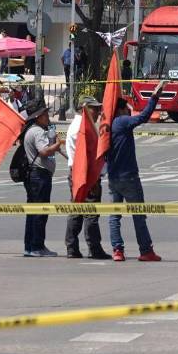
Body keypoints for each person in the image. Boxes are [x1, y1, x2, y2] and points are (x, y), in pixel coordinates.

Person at [107, 80, 168, 262]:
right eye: (127, 108)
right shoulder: (122, 121)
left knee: (114, 216)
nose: (129, 110)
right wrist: (154, 97)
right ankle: (146, 250)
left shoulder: (107, 124)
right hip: (129, 177)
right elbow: (143, 117)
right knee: (138, 215)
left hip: (113, 177)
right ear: (121, 109)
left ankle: (117, 250)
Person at [65, 96, 112, 259]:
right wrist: (93, 179)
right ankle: (94, 248)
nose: (98, 112)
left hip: (80, 173)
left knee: (77, 211)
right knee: (90, 212)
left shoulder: (80, 125)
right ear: (84, 108)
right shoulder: (81, 128)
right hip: (86, 174)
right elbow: (86, 156)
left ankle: (72, 247)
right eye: (95, 108)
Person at [20, 98, 64, 257]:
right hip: (39, 175)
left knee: (33, 212)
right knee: (40, 211)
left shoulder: (32, 130)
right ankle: (37, 246)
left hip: (35, 175)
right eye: (45, 114)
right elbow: (44, 151)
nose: (47, 116)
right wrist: (57, 145)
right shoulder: (37, 132)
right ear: (38, 116)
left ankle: (30, 246)